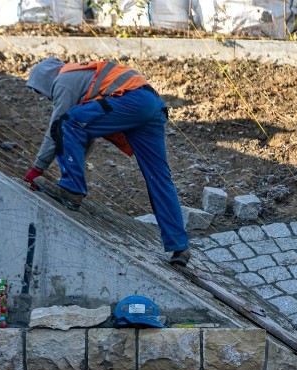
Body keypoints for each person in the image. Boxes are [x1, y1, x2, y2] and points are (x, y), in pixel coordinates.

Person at [24, 57, 191, 267]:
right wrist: (72, 165)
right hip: (152, 104)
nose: (44, 96)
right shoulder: (82, 74)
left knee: (67, 121)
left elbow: (59, 125)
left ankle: (71, 189)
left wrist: (37, 169)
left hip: (132, 101)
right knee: (159, 178)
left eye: (39, 91)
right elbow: (85, 133)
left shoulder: (63, 81)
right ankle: (180, 246)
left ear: (44, 80)